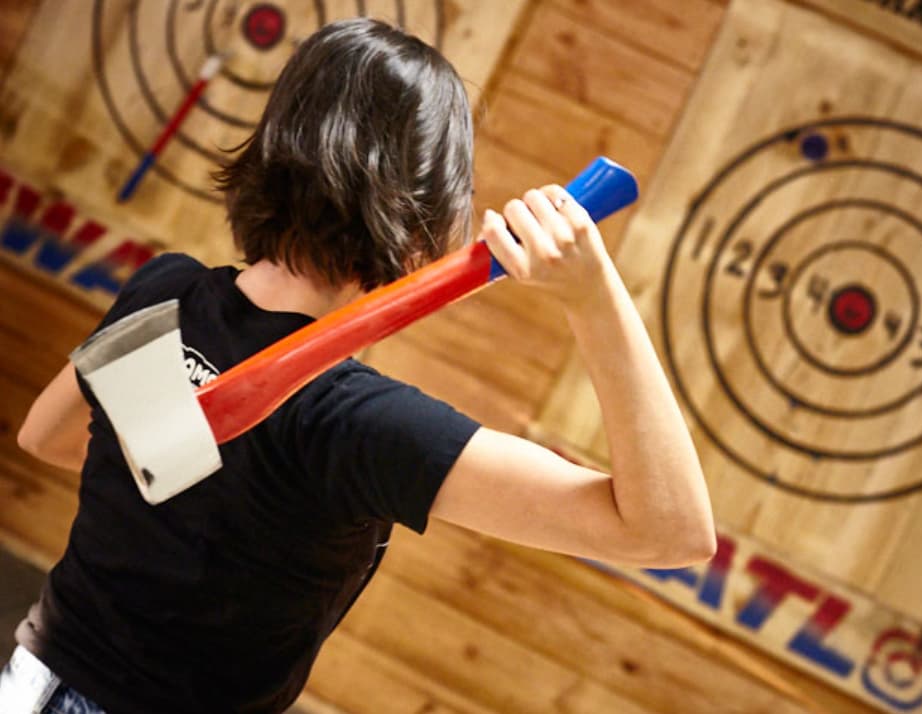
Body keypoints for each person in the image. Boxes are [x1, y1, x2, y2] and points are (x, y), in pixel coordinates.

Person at [1, 17, 716, 714]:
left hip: (30, 682)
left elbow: (49, 437)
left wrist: (183, 497)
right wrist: (594, 297)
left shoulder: (166, 295)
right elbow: (668, 533)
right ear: (429, 214)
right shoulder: (360, 427)